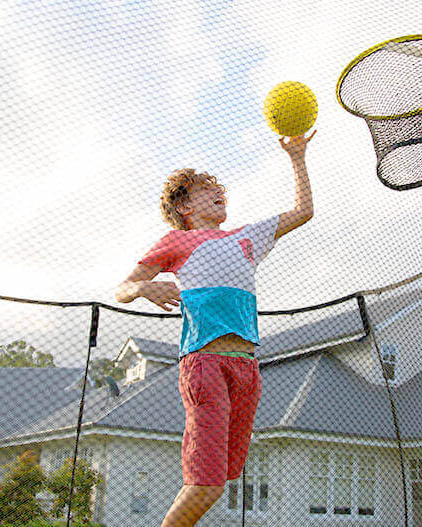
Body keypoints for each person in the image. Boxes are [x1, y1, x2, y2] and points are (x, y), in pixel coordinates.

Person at [115, 131, 316, 527]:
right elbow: (122, 288)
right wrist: (143, 287)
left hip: (246, 369)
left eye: (219, 189)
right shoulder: (177, 240)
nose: (218, 194)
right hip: (205, 364)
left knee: (225, 476)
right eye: (207, 190)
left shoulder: (247, 237)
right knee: (206, 484)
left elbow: (303, 210)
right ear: (185, 204)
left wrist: (297, 156)